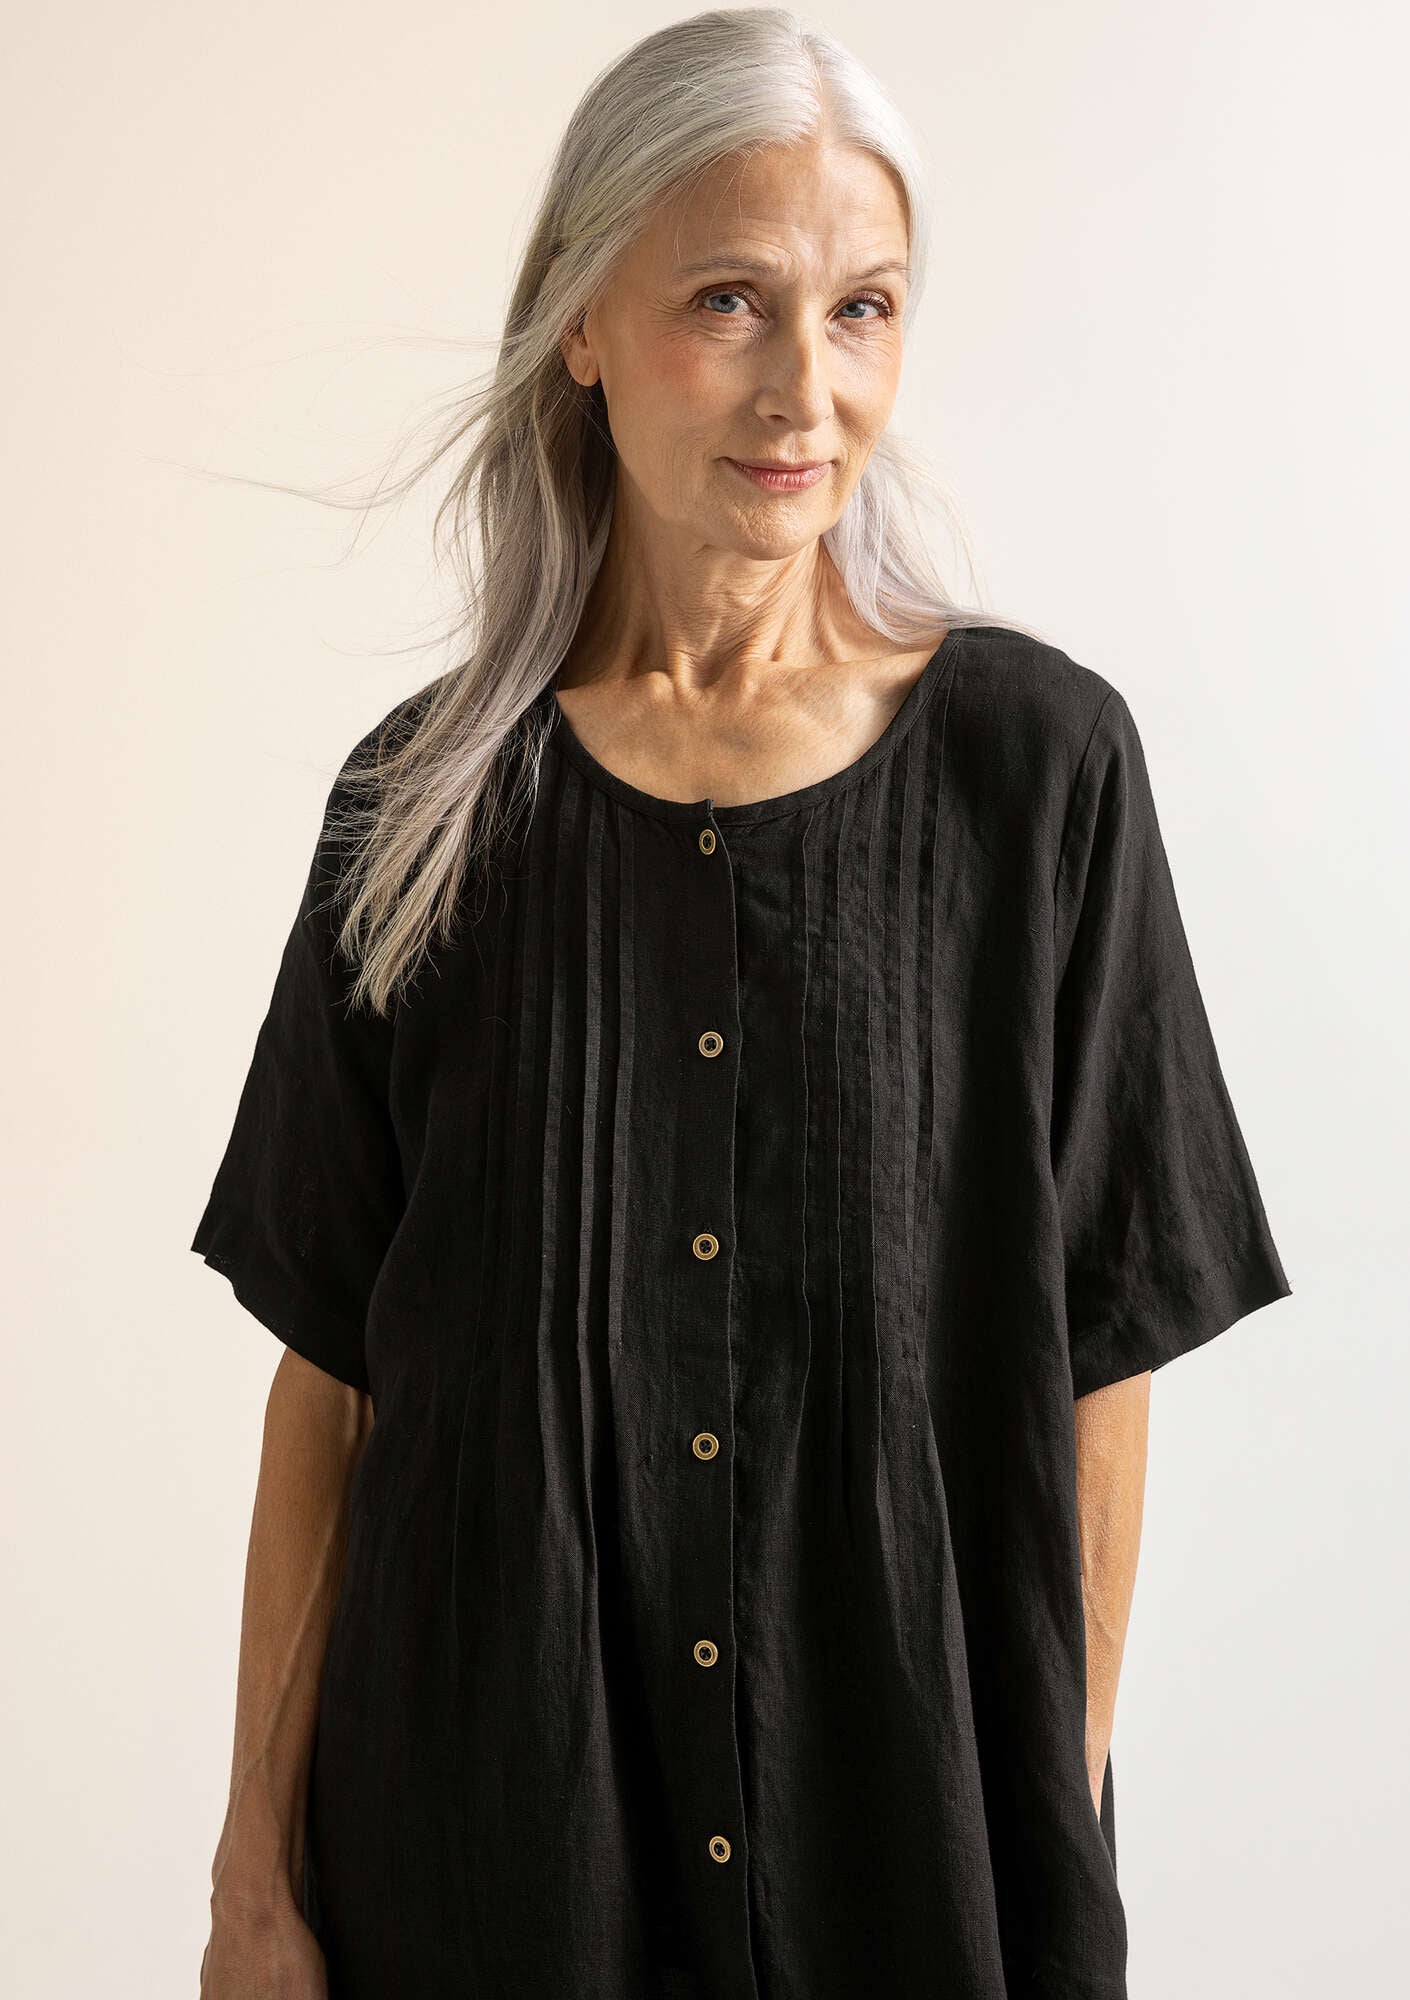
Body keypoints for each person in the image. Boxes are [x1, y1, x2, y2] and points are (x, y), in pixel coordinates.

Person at [189, 11, 1291, 1998]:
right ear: (580, 321)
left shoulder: (1038, 776)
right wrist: (252, 1885)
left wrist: (1044, 1816)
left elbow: (1099, 1367)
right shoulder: (420, 811)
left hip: (908, 1873)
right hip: (482, 1872)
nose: (807, 388)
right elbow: (330, 1390)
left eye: (861, 308)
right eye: (729, 301)